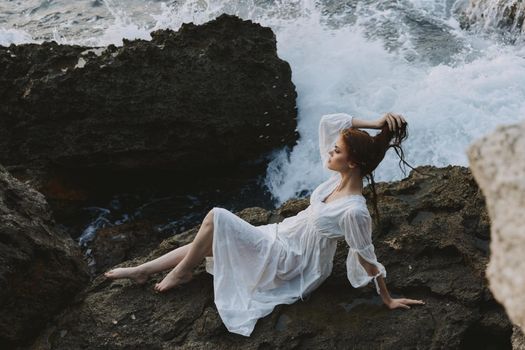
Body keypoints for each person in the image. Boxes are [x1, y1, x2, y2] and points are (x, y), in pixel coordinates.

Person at [104, 112, 425, 336]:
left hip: (293, 261)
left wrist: (387, 298)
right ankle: (144, 270)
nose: (330, 150)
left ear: (352, 161)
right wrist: (377, 122)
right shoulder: (338, 180)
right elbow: (331, 121)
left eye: (337, 150)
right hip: (282, 236)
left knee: (217, 218)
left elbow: (367, 258)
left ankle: (181, 271)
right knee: (211, 239)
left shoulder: (354, 210)